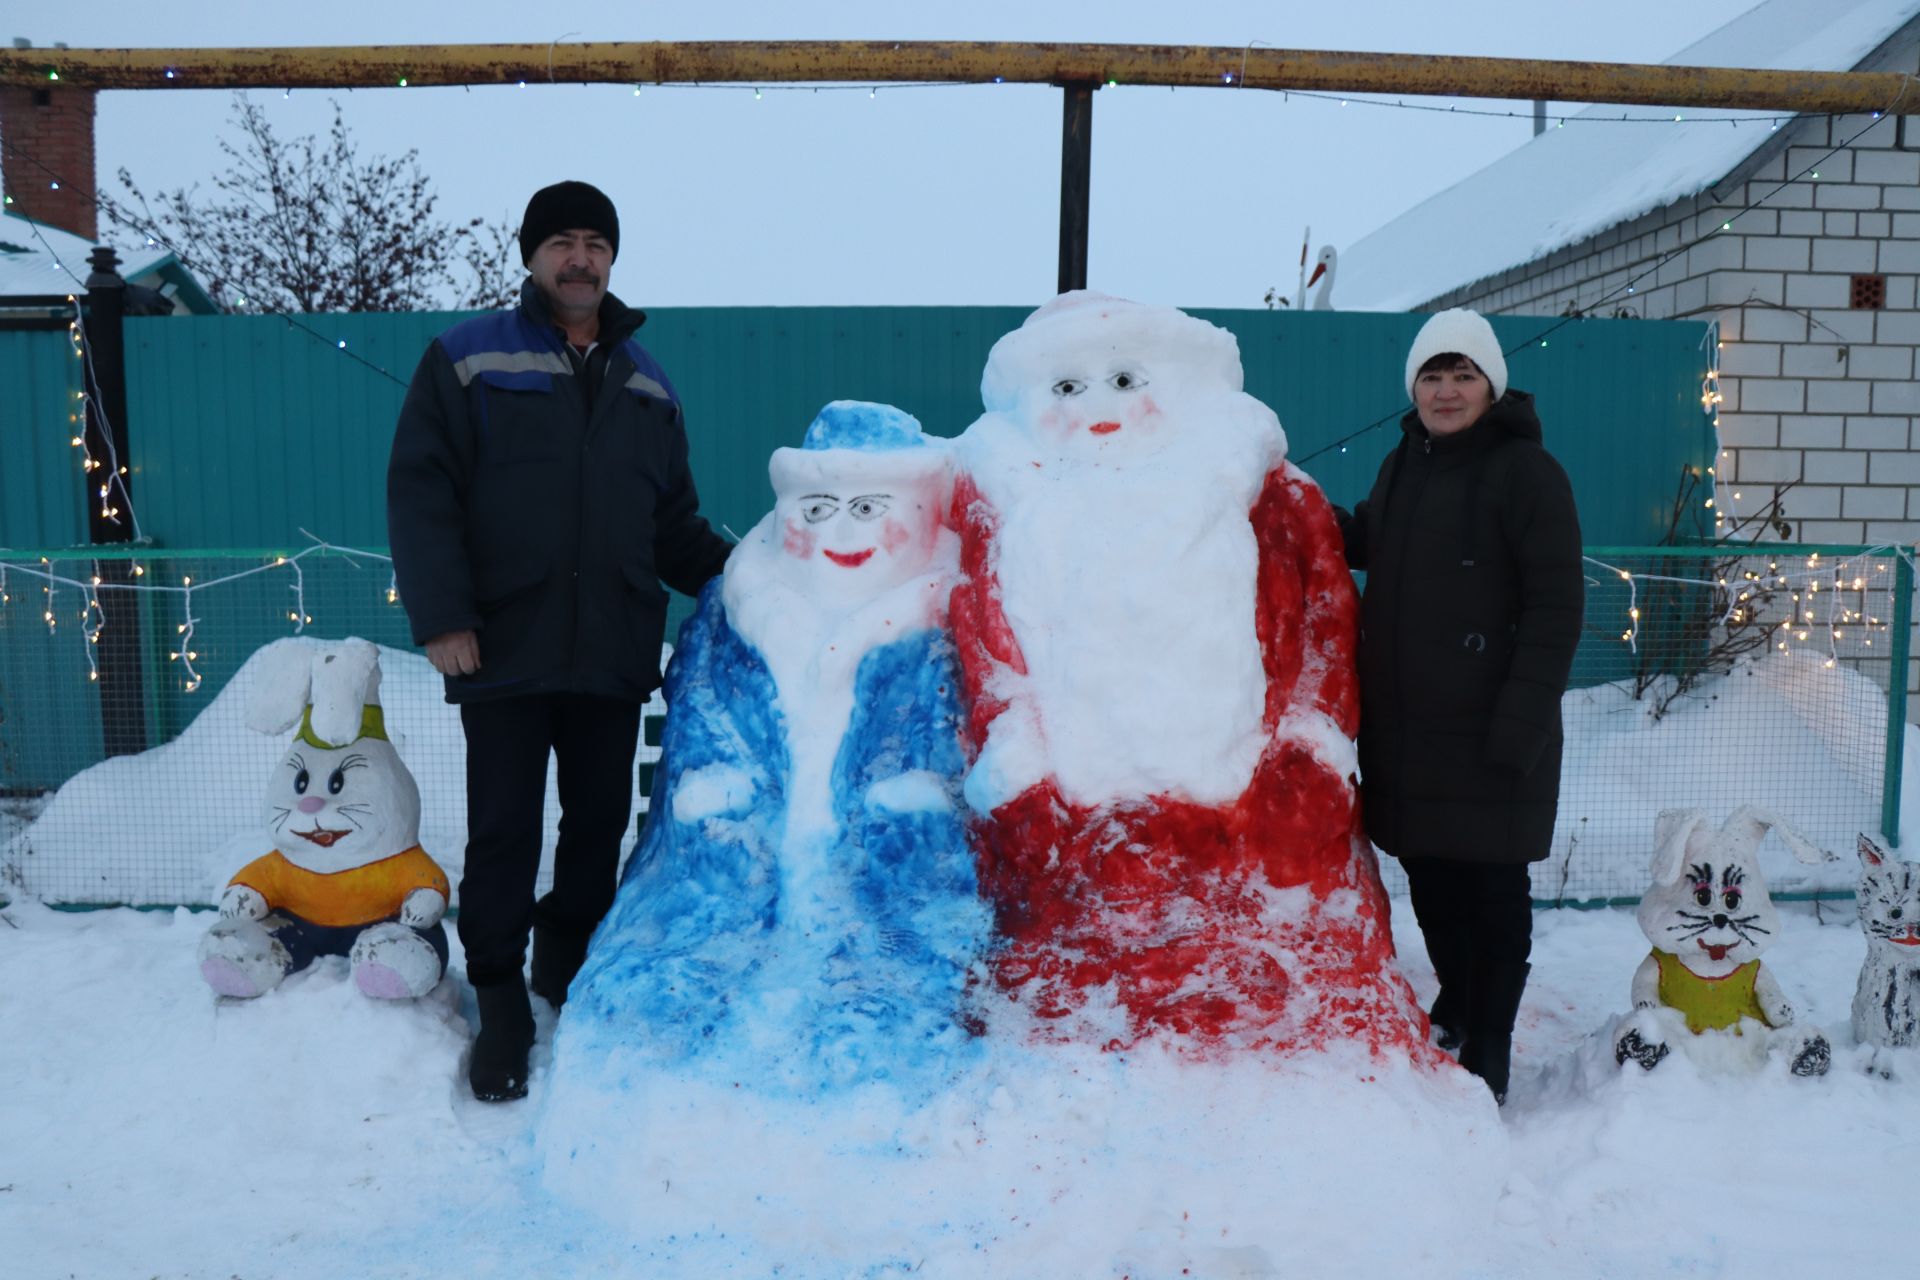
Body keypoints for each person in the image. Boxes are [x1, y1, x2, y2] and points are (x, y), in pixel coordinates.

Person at [386, 180, 732, 1102]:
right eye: (563, 243)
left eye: (596, 244)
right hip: (502, 643)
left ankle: (566, 957)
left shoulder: (648, 383)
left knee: (597, 825)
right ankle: (499, 991)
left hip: (611, 649)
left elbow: (674, 527)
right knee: (505, 828)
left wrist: (761, 576)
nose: (581, 259)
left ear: (611, 259)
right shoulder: (468, 359)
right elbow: (422, 493)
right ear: (532, 256)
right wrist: (444, 617)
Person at [1336, 308, 1583, 1103]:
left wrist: (1522, 719)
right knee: (1432, 878)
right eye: (1433, 376)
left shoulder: (1527, 474)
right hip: (1411, 730)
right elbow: (1365, 540)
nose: (1446, 392)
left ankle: (1492, 1040)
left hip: (1492, 726)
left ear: (1491, 385)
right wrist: (1284, 501)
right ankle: (1460, 999)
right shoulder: (1402, 466)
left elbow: (1556, 609)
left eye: (1462, 375)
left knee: (1493, 891)